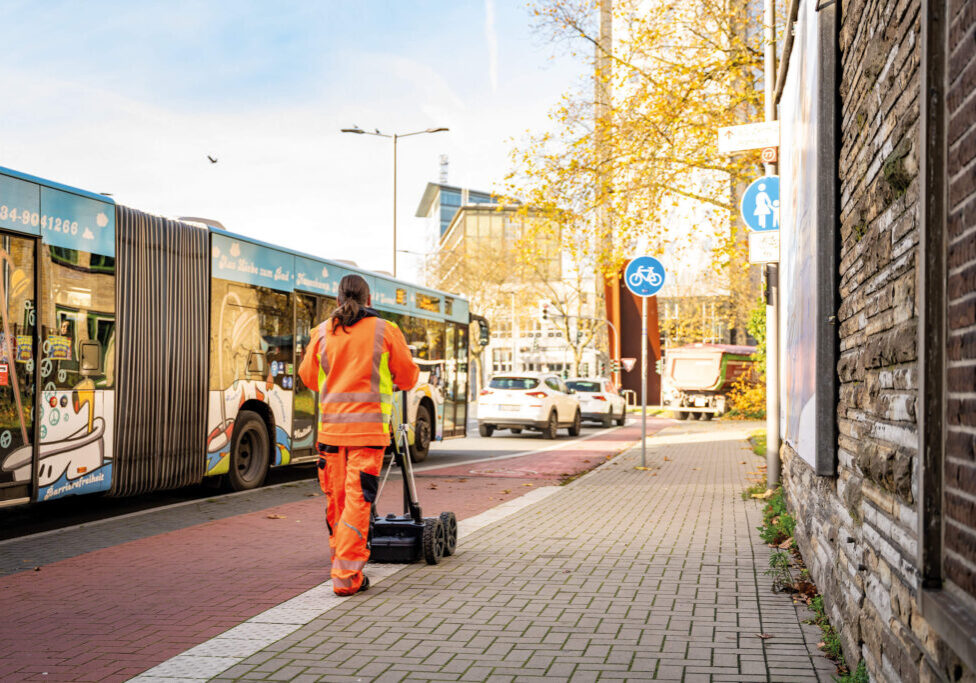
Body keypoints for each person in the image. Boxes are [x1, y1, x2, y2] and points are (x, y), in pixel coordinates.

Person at [298, 274, 419, 595]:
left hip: (330, 436)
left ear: (337, 300)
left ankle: (342, 563)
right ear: (369, 301)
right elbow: (407, 378)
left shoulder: (322, 333)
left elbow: (309, 378)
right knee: (357, 501)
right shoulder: (385, 330)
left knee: (336, 503)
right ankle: (346, 576)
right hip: (367, 434)